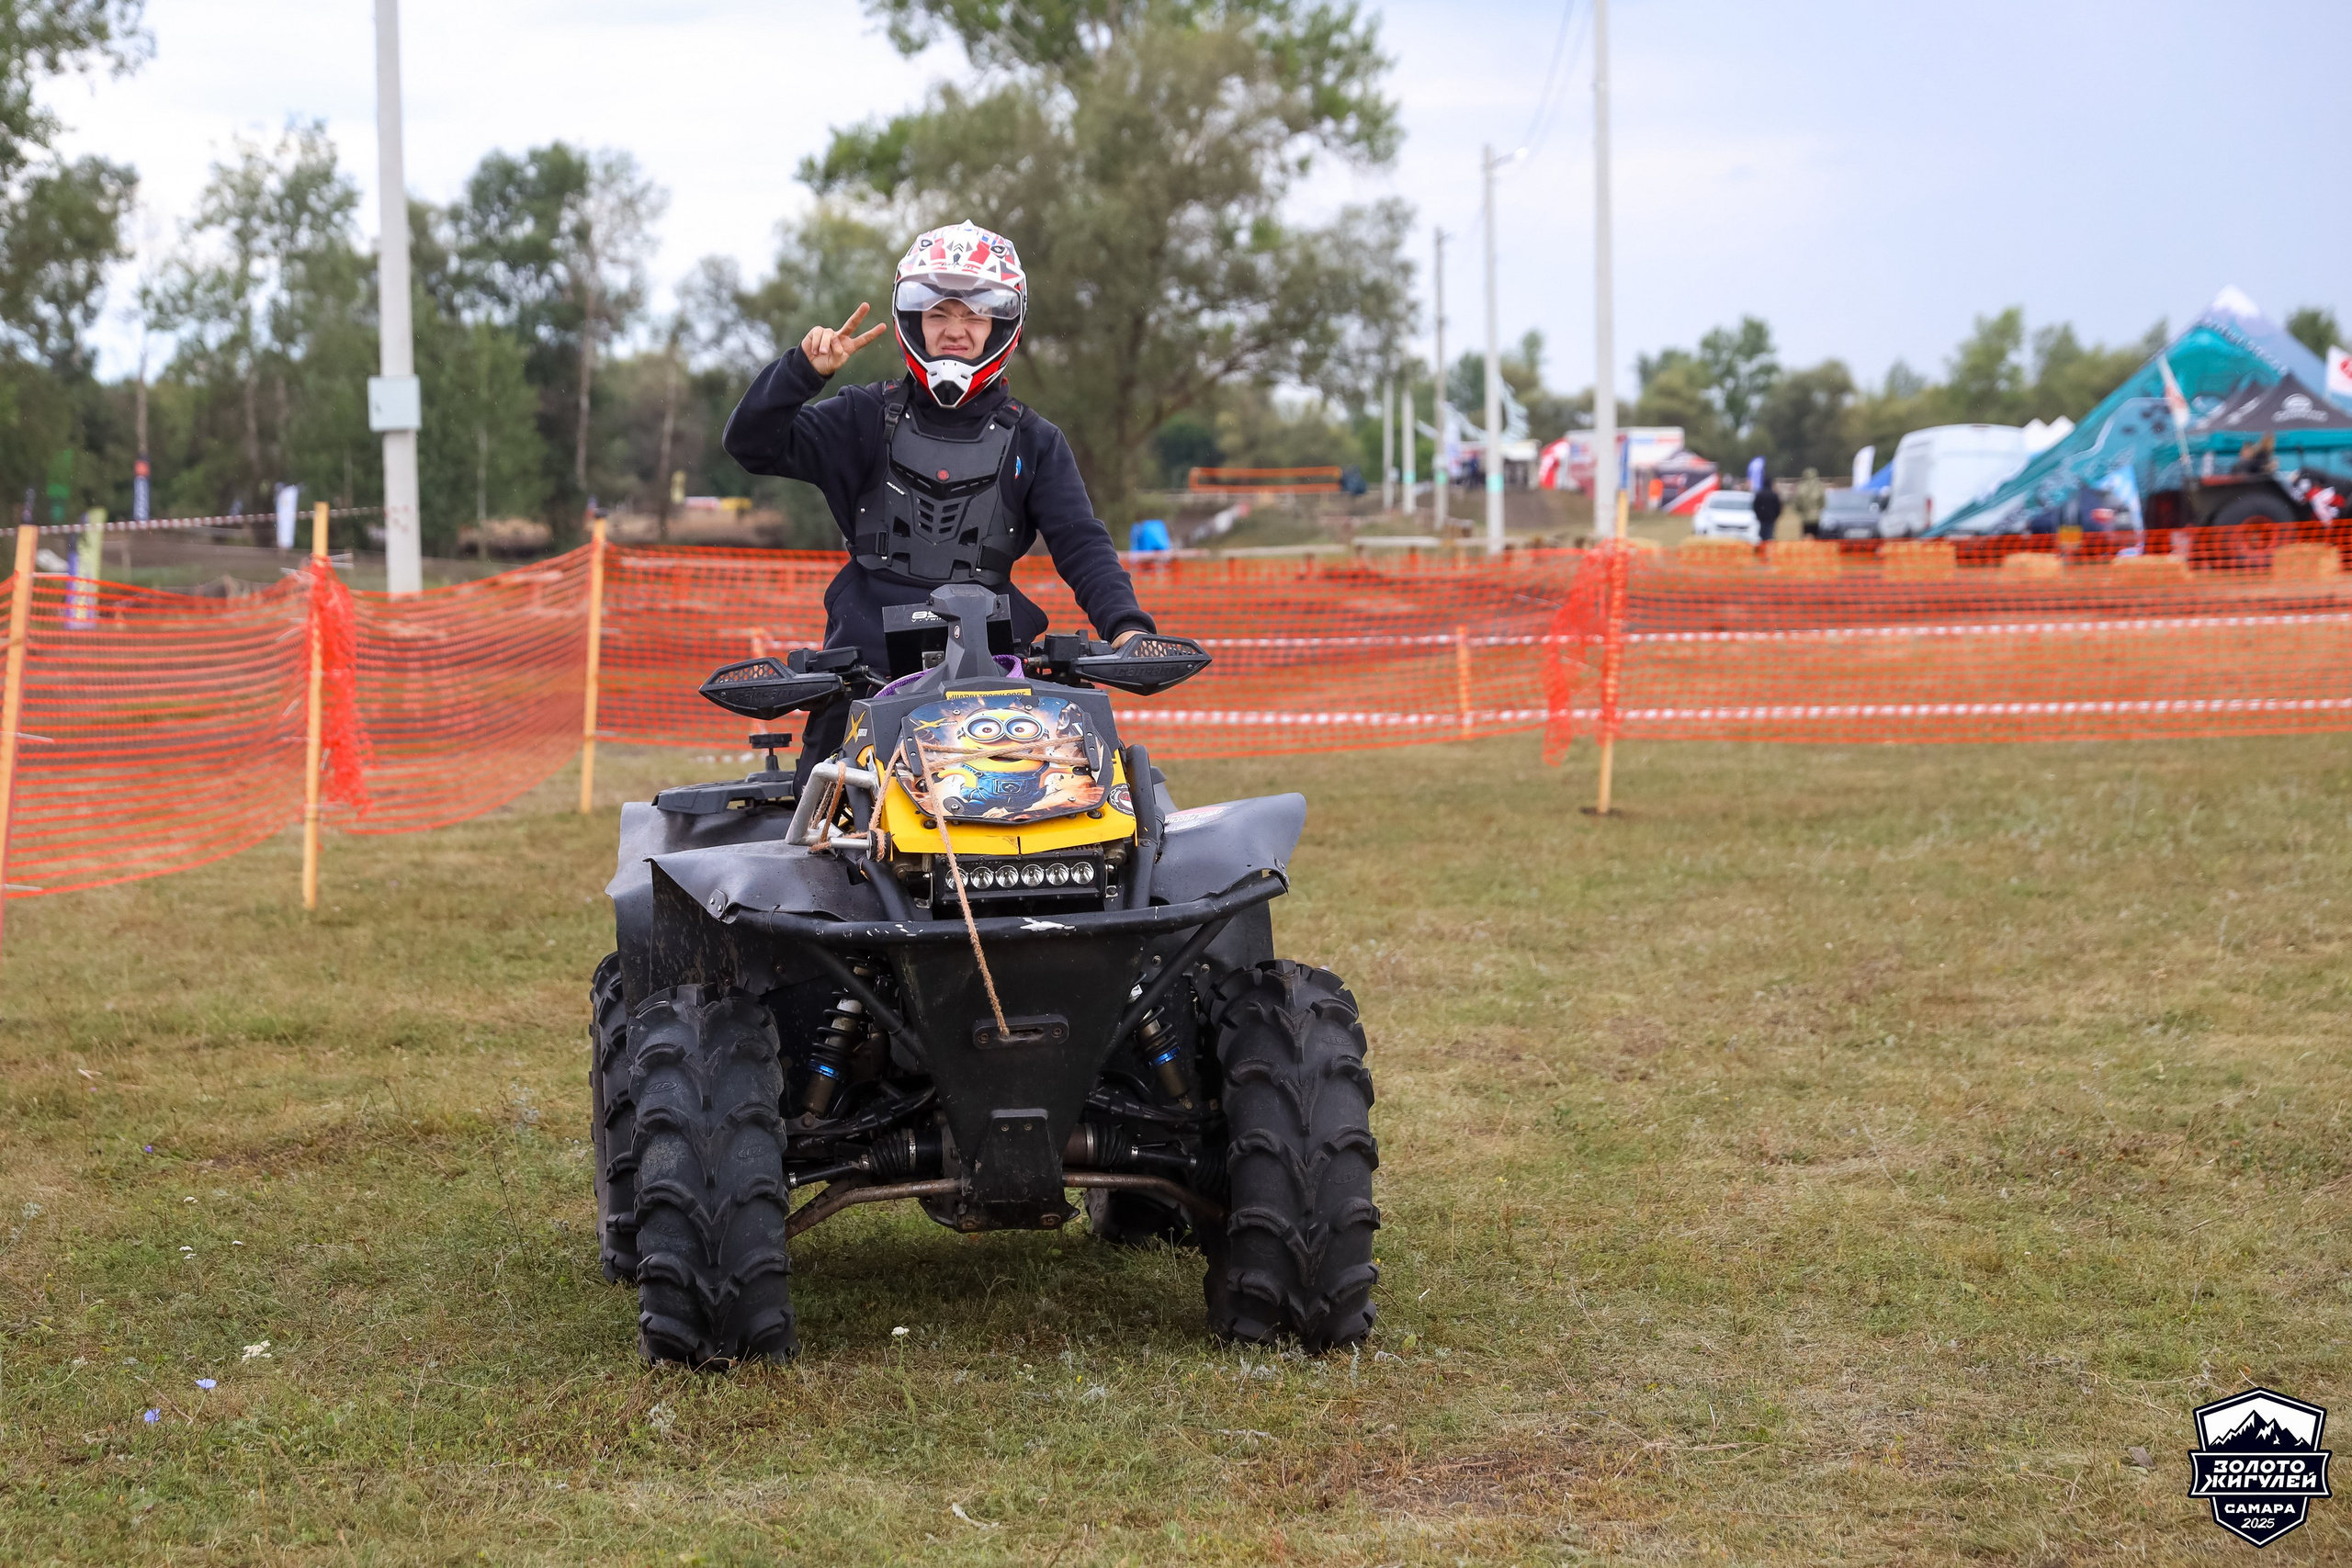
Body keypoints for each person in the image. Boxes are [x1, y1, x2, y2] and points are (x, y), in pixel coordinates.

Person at [721, 221, 1159, 784]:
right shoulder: (859, 416)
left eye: (974, 315)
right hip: (862, 678)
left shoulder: (1035, 440)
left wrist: (1126, 629)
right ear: (914, 321)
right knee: (824, 847)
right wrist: (801, 373)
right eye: (939, 314)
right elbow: (751, 444)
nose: (956, 331)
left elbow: (1080, 541)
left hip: (1000, 675)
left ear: (1001, 323)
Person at [1792, 467, 1826, 539]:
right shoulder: (1819, 486)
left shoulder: (1801, 486)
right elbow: (1822, 502)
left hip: (1805, 516)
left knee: (1806, 536)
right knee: (1817, 536)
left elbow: (1798, 502)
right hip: (1817, 516)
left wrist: (1800, 511)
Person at [1752, 474, 1783, 542]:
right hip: (1771, 519)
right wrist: (1775, 516)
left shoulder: (1759, 494)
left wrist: (1758, 515)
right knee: (1769, 537)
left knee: (1761, 537)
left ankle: (1761, 551)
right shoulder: (1774, 495)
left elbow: (1755, 506)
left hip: (1761, 518)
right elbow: (1778, 507)